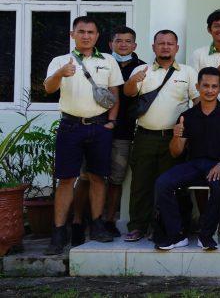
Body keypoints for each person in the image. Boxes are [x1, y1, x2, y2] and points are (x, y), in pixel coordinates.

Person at [43, 16, 124, 255]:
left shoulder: (108, 60)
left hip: (99, 127)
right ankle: (59, 232)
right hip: (70, 126)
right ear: (73, 35)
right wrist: (60, 73)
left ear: (97, 36)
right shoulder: (60, 61)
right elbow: (48, 88)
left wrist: (111, 122)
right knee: (66, 179)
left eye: (91, 32)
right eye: (81, 31)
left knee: (98, 177)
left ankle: (97, 225)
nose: (86, 36)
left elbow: (114, 94)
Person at [122, 30, 199, 243]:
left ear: (177, 47)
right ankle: (137, 226)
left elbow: (197, 101)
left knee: (170, 185)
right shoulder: (141, 69)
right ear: (153, 47)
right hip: (144, 136)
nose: (165, 47)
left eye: (170, 43)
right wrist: (133, 80)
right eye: (161, 43)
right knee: (141, 184)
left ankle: (164, 226)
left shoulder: (188, 72)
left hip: (174, 139)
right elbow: (128, 93)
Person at [153, 67, 220, 251]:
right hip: (193, 164)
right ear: (198, 87)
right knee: (162, 183)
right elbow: (175, 153)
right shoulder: (187, 116)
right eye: (205, 85)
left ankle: (205, 236)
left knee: (219, 186)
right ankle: (176, 235)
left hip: (217, 165)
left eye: (214, 86)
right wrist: (176, 136)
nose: (210, 90)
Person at [101, 26, 146, 236]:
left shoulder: (142, 68)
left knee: (116, 179)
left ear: (134, 45)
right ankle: (79, 221)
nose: (123, 45)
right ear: (111, 44)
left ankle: (109, 220)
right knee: (88, 177)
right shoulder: (101, 64)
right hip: (96, 126)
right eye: (119, 41)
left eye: (128, 41)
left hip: (124, 131)